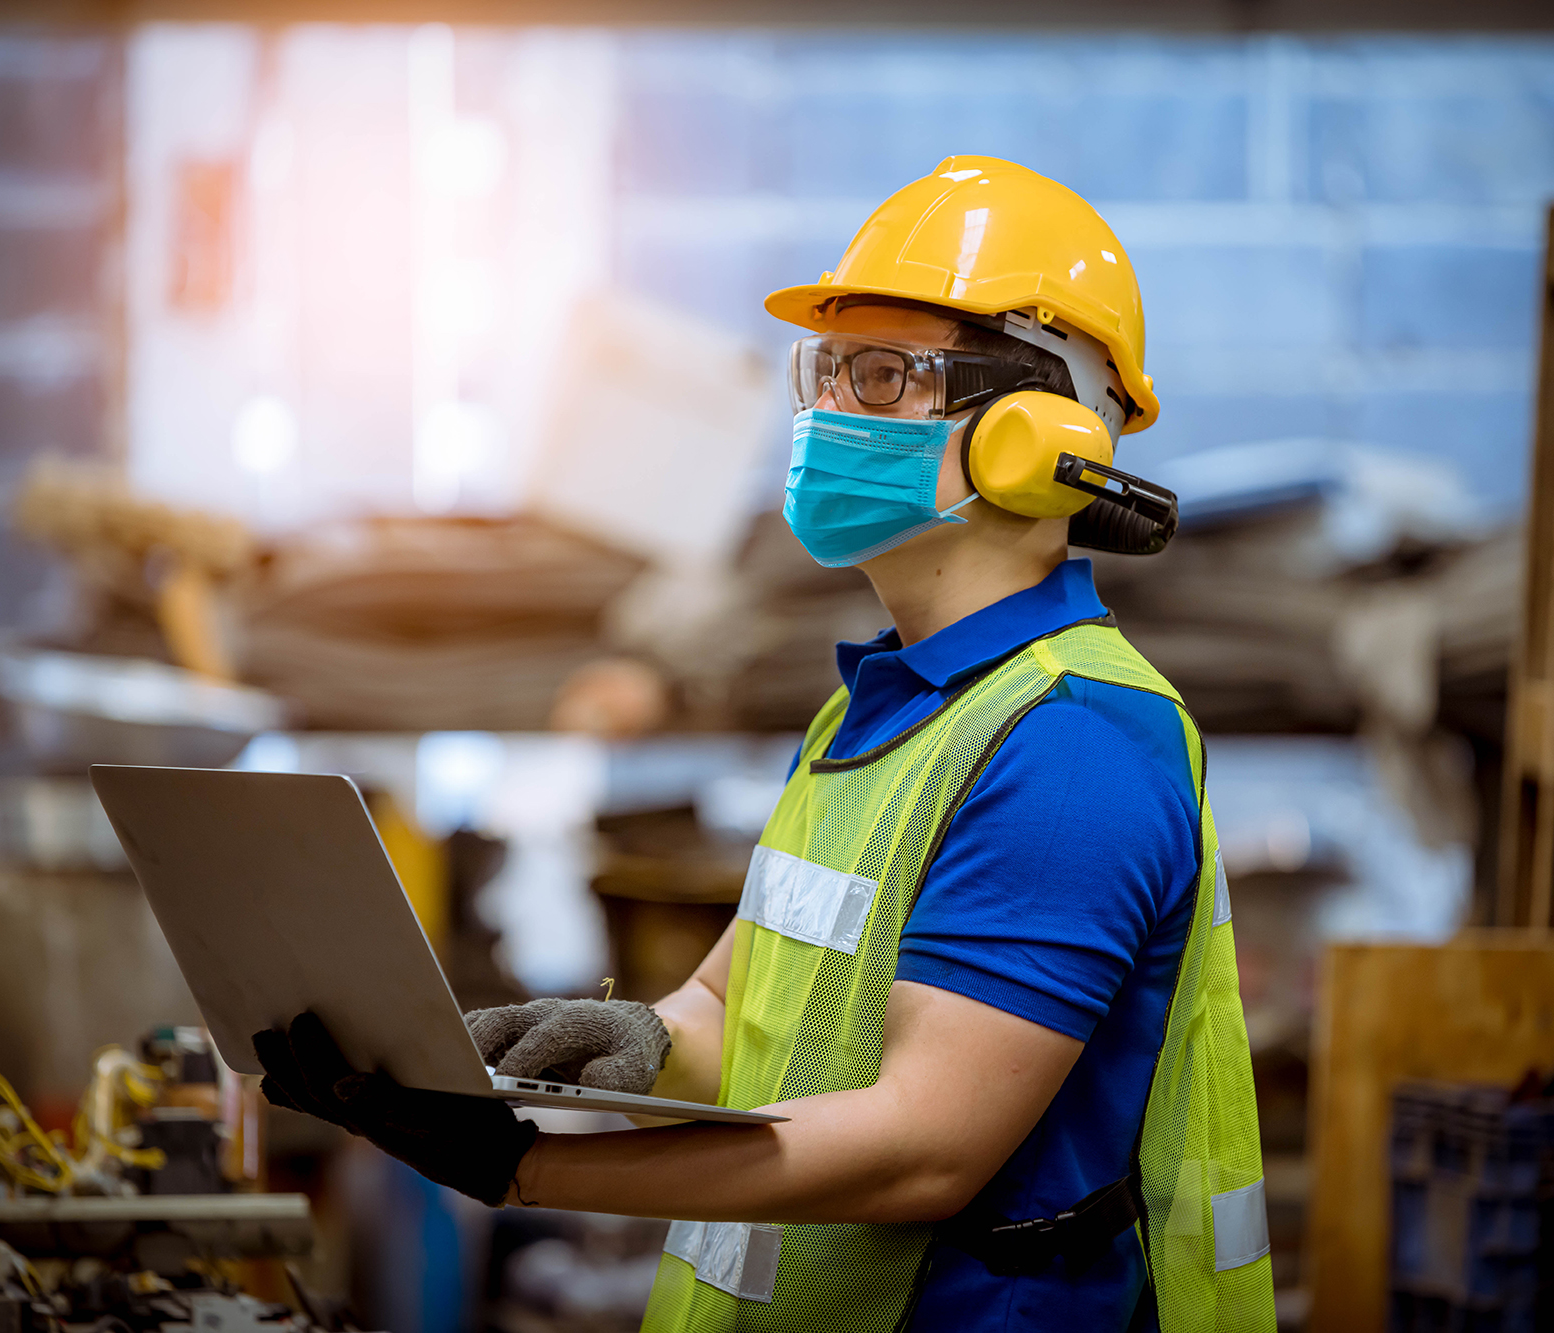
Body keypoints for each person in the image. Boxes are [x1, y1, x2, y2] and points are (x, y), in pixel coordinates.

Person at [256, 156, 1272, 1332]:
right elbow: (735, 1012)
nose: (827, 412)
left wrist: (524, 1167)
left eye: (883, 376)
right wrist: (622, 1041)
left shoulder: (1071, 745)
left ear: (1035, 439)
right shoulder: (873, 708)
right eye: (823, 370)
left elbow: (919, 1151)